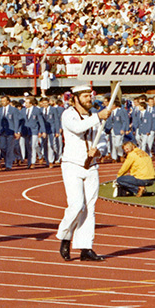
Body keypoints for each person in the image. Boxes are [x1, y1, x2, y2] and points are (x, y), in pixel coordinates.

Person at [56, 84, 111, 262]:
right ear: (75, 98)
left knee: (90, 208)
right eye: (85, 96)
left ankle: (85, 247)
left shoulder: (95, 117)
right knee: (76, 205)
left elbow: (102, 140)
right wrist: (98, 117)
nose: (89, 98)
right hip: (72, 165)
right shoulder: (68, 114)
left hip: (92, 166)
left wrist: (99, 151)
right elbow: (78, 128)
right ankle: (65, 235)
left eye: (90, 95)